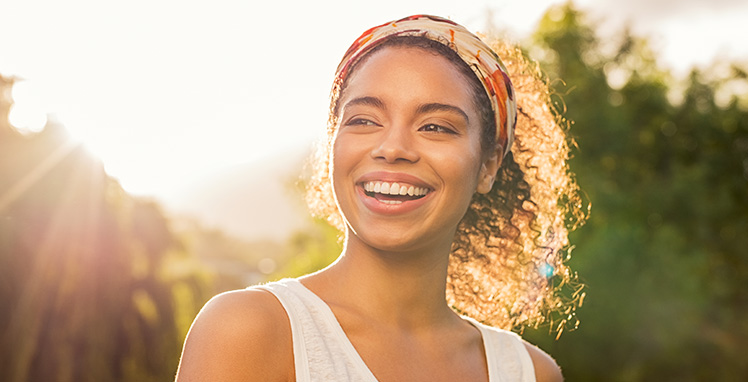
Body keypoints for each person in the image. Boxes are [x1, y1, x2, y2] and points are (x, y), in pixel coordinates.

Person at [175, 14, 585, 382]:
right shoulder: (248, 331)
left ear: (488, 165)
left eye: (436, 127)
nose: (393, 147)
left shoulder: (528, 372)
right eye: (364, 120)